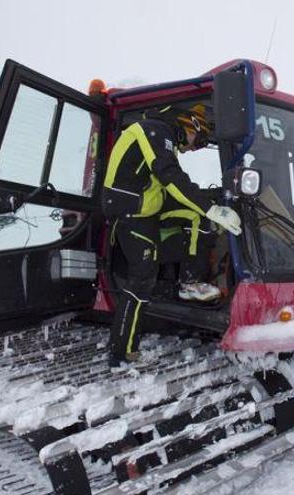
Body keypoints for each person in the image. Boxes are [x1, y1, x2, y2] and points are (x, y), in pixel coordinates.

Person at [102, 104, 242, 366]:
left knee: (195, 215)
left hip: (149, 205)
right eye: (198, 141)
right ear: (190, 124)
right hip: (130, 211)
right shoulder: (151, 130)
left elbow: (170, 182)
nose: (194, 147)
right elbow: (170, 177)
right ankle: (121, 352)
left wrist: (208, 202)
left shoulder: (163, 136)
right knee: (142, 278)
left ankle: (190, 283)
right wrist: (211, 207)